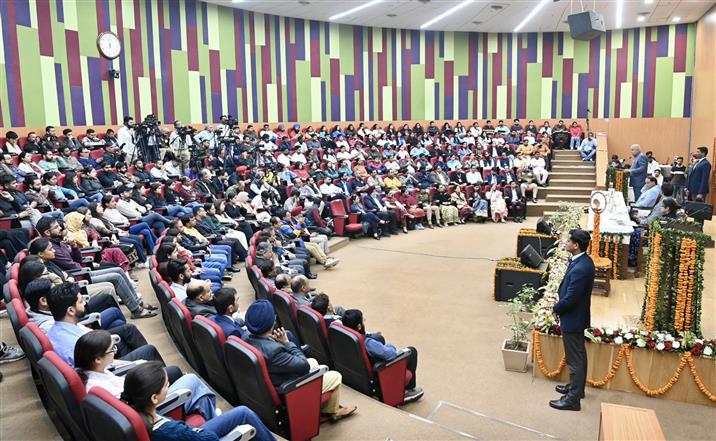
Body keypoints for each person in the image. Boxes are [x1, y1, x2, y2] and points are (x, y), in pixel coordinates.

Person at [243, 300, 357, 423]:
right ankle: (330, 412)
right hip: (288, 388)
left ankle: (322, 408)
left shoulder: (247, 337)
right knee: (335, 376)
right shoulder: (274, 351)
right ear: (272, 322)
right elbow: (304, 364)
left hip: (275, 378)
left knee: (313, 361)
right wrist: (286, 342)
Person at [74, 330, 221, 422]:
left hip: (141, 398)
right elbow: (131, 409)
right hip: (147, 409)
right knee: (193, 382)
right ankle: (213, 418)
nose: (114, 351)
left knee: (198, 393)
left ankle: (210, 414)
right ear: (98, 359)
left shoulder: (95, 371)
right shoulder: (98, 387)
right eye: (111, 349)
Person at [121, 361, 276, 441]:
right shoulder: (170, 431)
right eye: (166, 385)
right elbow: (210, 439)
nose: (169, 386)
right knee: (244, 413)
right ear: (154, 398)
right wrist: (193, 430)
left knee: (241, 412)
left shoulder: (128, 409)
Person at [46, 282, 163, 366]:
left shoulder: (60, 328)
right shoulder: (74, 345)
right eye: (81, 301)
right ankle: (157, 378)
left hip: (102, 353)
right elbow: (102, 368)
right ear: (71, 310)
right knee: (149, 351)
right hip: (106, 368)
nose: (86, 303)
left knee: (127, 330)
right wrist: (136, 363)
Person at [550, 229, 594, 411]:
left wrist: (555, 308)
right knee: (577, 356)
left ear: (576, 245)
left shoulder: (582, 267)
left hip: (573, 317)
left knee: (575, 360)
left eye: (568, 241)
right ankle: (576, 389)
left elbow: (571, 298)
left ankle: (573, 400)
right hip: (575, 316)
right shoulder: (581, 260)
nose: (565, 243)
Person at [342, 309, 423, 403]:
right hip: (379, 374)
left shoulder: (344, 336)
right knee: (412, 351)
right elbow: (391, 354)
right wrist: (389, 346)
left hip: (357, 375)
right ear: (359, 326)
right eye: (362, 320)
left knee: (379, 338)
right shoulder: (368, 343)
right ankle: (408, 390)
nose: (364, 321)